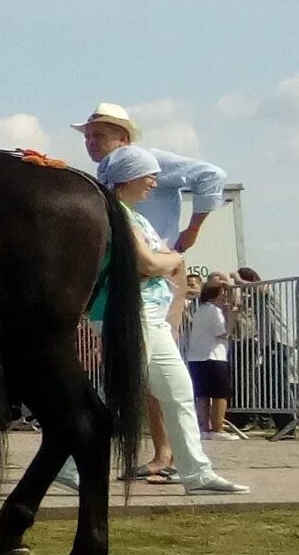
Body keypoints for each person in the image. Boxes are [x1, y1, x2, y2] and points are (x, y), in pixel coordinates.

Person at [102, 148, 246, 496]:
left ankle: (197, 472)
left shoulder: (134, 216)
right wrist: (173, 259)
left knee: (179, 392)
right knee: (120, 394)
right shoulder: (117, 215)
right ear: (129, 177)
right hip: (132, 314)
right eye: (148, 175)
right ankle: (68, 464)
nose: (154, 182)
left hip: (149, 315)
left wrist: (166, 260)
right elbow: (149, 264)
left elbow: (157, 260)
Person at [79, 106, 227, 252]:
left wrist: (192, 230)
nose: (90, 142)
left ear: (123, 139)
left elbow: (212, 175)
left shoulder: (151, 161)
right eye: (87, 136)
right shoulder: (106, 170)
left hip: (158, 263)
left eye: (99, 135)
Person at [180, 273, 235, 441]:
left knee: (202, 394)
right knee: (220, 394)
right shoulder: (214, 311)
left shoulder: (199, 310)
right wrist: (231, 316)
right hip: (214, 356)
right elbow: (224, 333)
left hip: (196, 357)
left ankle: (204, 428)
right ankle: (218, 428)